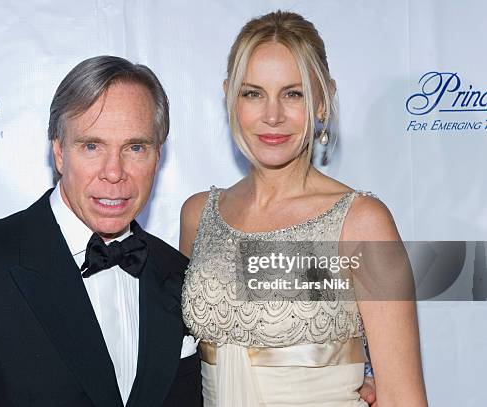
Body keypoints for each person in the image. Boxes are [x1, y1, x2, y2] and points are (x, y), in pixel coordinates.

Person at [0, 56, 201, 407]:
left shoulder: (180, 276)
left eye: (135, 147)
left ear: (158, 156)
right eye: (92, 146)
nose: (114, 172)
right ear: (59, 152)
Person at [180, 11, 427, 407]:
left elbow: (402, 398)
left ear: (322, 101)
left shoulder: (360, 222)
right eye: (253, 93)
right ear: (229, 96)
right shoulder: (198, 215)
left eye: (293, 93)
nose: (272, 115)